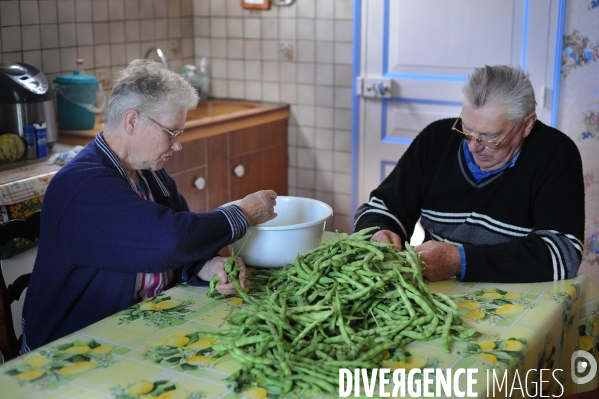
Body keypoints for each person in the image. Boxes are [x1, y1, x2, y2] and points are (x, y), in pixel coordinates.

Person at [20, 59, 278, 353]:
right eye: (172, 133)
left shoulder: (149, 174)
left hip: (138, 326)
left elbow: (179, 241)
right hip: (70, 348)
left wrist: (207, 265)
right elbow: (170, 240)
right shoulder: (82, 186)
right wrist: (242, 214)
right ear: (132, 121)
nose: (177, 145)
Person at [354, 65, 584, 283]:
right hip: (434, 289)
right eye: (467, 130)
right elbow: (380, 208)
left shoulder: (555, 154)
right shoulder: (436, 138)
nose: (473, 147)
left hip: (516, 299)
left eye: (489, 137)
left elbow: (564, 253)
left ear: (526, 125)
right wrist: (379, 231)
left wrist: (460, 261)